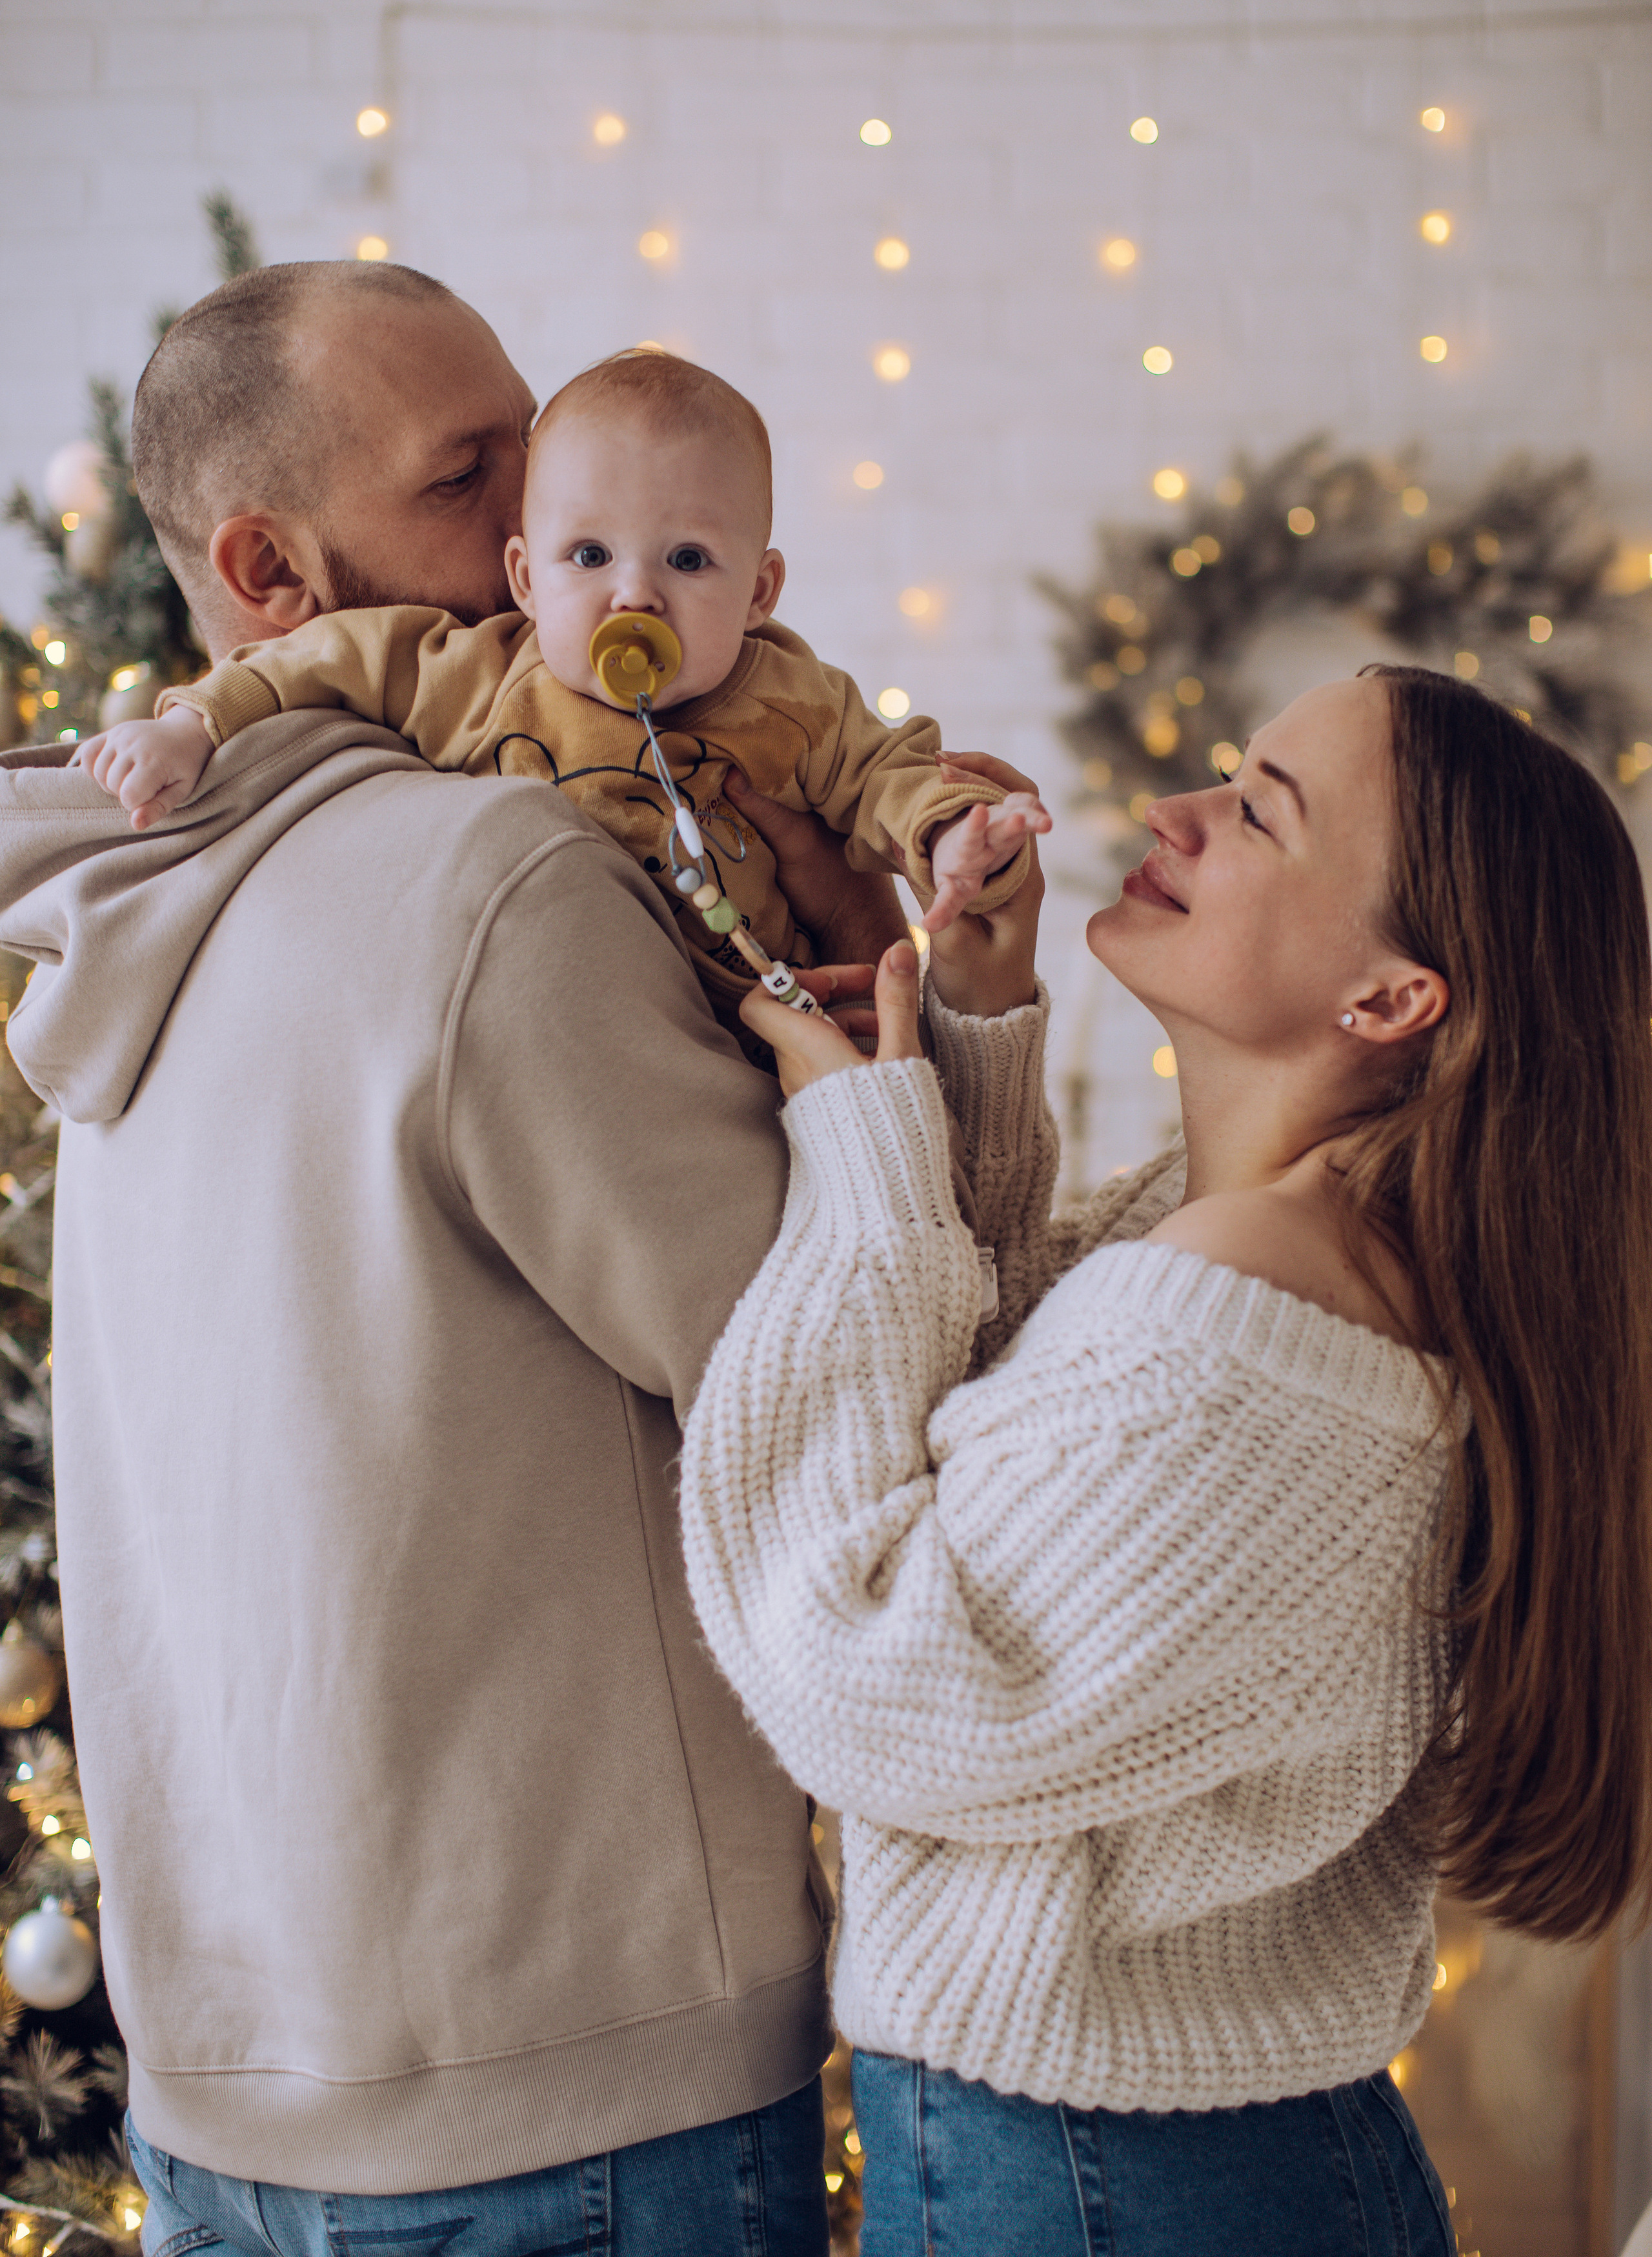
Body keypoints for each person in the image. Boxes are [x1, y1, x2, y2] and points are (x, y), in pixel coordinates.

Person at [0, 257, 912, 2256]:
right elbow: (839, 1379)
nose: (539, 530)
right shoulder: (500, 882)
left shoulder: (120, 917)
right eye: (470, 476)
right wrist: (934, 1048)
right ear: (267, 568)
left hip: (220, 2091)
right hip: (565, 2090)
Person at [678, 671, 1652, 2257]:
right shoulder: (1274, 1256)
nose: (1172, 814)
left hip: (1112, 2188)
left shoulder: (1254, 1316)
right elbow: (1005, 1431)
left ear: (1393, 999)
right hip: (1168, 2167)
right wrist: (967, 1039)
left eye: (1258, 811)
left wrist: (861, 1157)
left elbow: (864, 1669)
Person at [78, 346, 1049, 1032]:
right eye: (589, 554)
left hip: (770, 1040)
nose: (635, 590)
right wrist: (194, 724)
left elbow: (890, 772)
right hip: (606, 1032)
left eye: (690, 558)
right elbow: (317, 661)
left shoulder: (791, 698)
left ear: (759, 592)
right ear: (527, 579)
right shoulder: (483, 673)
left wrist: (954, 834)